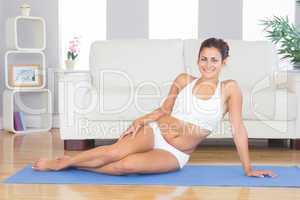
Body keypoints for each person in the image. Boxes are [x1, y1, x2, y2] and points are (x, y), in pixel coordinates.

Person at [33, 38, 276, 178]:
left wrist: (248, 168)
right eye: (204, 59)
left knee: (124, 166)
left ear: (224, 62)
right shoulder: (183, 80)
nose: (208, 65)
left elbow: (238, 129)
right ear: (197, 60)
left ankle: (75, 163)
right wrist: (141, 119)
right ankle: (63, 163)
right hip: (155, 131)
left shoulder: (230, 89)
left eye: (214, 60)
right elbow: (163, 110)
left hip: (177, 153)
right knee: (112, 153)